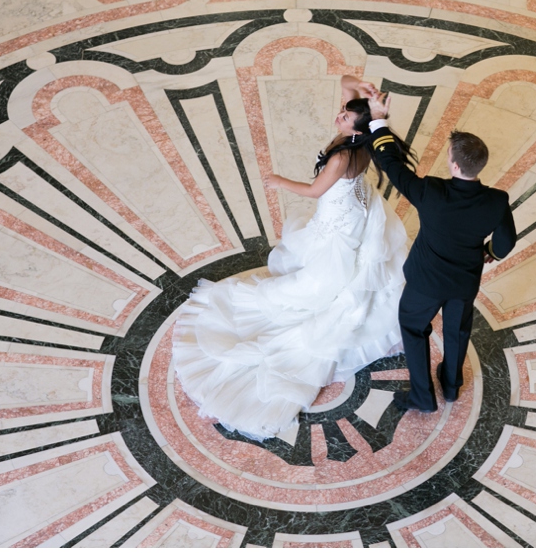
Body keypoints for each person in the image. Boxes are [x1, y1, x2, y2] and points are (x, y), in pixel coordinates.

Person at [172, 76, 416, 441]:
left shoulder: (344, 155)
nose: (339, 115)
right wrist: (360, 89)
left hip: (338, 222)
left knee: (319, 282)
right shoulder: (359, 138)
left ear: (356, 128)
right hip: (344, 213)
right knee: (323, 265)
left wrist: (279, 182)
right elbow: (345, 84)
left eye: (346, 116)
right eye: (343, 111)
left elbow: (315, 189)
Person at [366, 91, 517, 412]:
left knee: (412, 327)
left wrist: (378, 119)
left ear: (453, 163)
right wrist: (489, 250)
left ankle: (422, 396)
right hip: (464, 282)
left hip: (425, 281)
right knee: (458, 330)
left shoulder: (431, 192)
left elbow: (391, 164)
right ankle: (451, 385)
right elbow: (505, 243)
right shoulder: (496, 201)